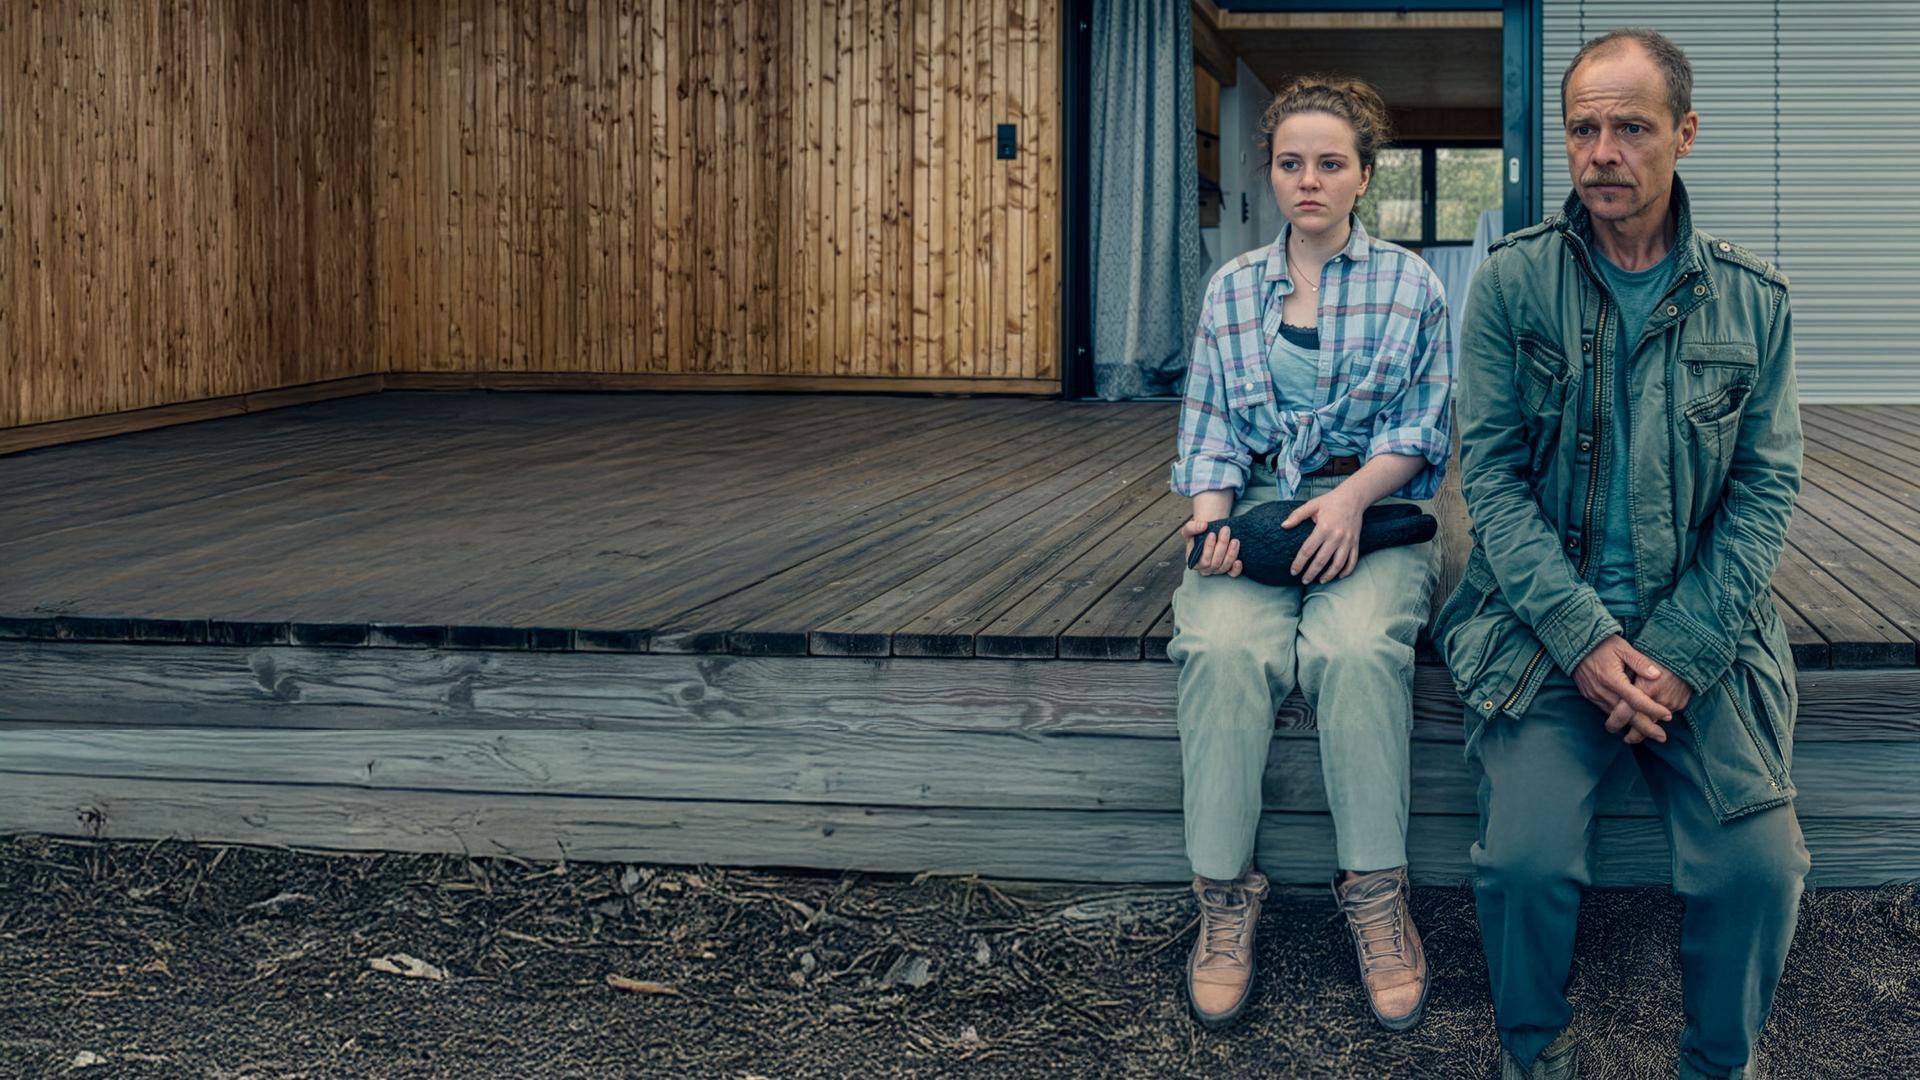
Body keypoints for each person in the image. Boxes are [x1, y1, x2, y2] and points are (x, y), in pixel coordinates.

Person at [1440, 28, 1808, 1080]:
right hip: (1540, 630)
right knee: (1522, 862)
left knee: (1759, 866)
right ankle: (1535, 1059)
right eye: (1582, 128)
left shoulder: (1754, 302)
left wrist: (1685, 652)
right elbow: (1494, 480)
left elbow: (1766, 489)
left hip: (1705, 632)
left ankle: (1718, 1064)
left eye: (1630, 128)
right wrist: (1582, 638)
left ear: (1684, 135)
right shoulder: (1513, 285)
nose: (1602, 151)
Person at [1168, 75, 1453, 1032]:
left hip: (1374, 506)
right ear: (1273, 173)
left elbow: (1422, 427)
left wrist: (1347, 499)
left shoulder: (1409, 282)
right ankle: (1222, 897)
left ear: (1364, 176)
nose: (1309, 181)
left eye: (1331, 163)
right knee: (1220, 650)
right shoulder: (1233, 287)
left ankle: (1376, 896)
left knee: (1356, 652)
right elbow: (1208, 428)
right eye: (1292, 163)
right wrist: (1212, 524)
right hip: (1256, 508)